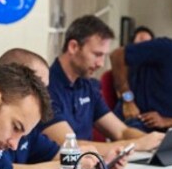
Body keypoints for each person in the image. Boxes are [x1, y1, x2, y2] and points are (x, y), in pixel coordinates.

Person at [0, 48, 126, 169]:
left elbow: (58, 154)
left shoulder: (29, 129)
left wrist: (99, 163)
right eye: (38, 89)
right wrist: (66, 165)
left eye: (46, 90)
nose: (45, 98)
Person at [40, 15, 162, 154]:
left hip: (88, 167)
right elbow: (70, 147)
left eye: (104, 55)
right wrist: (137, 144)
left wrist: (159, 142)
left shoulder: (87, 85)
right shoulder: (46, 88)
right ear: (73, 47)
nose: (101, 63)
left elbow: (121, 132)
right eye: (97, 54)